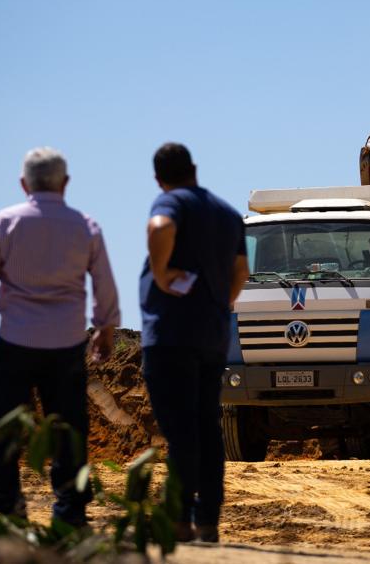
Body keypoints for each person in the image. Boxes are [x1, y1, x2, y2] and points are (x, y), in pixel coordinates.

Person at [0, 147, 120, 526]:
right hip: (66, 344)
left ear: (23, 183)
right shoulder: (86, 226)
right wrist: (106, 328)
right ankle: (70, 512)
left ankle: (5, 507)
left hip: (15, 341)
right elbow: (104, 284)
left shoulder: (4, 222)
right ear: (65, 183)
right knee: (68, 430)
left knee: (6, 428)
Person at [139, 143, 249, 543]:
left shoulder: (170, 202)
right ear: (195, 168)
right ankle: (208, 520)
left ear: (158, 177)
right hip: (212, 334)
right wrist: (225, 301)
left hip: (170, 335)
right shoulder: (228, 213)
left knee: (181, 431)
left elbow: (159, 227)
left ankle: (179, 517)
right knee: (207, 427)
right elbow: (242, 269)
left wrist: (160, 272)